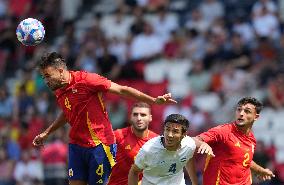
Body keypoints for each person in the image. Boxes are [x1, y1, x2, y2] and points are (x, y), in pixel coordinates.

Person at [32, 52, 177, 185]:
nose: (46, 80)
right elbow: (67, 112)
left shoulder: (87, 80)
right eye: (44, 77)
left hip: (99, 144)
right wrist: (47, 132)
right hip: (77, 145)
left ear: (60, 71)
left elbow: (122, 89)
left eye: (48, 75)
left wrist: (154, 100)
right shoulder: (59, 91)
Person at [196, 97, 275, 185]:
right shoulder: (223, 131)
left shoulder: (252, 139)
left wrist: (260, 170)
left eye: (247, 111)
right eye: (239, 109)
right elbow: (193, 140)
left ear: (256, 117)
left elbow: (245, 159)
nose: (241, 113)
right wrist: (202, 143)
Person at [128, 114, 214, 185]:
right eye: (167, 129)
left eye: (175, 131)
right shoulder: (148, 150)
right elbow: (134, 172)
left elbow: (189, 155)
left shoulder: (188, 144)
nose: (169, 135)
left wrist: (195, 183)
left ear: (184, 134)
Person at [107, 102, 158, 185]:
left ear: (150, 118)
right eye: (135, 115)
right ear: (130, 117)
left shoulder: (157, 141)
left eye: (143, 115)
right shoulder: (117, 136)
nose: (139, 118)